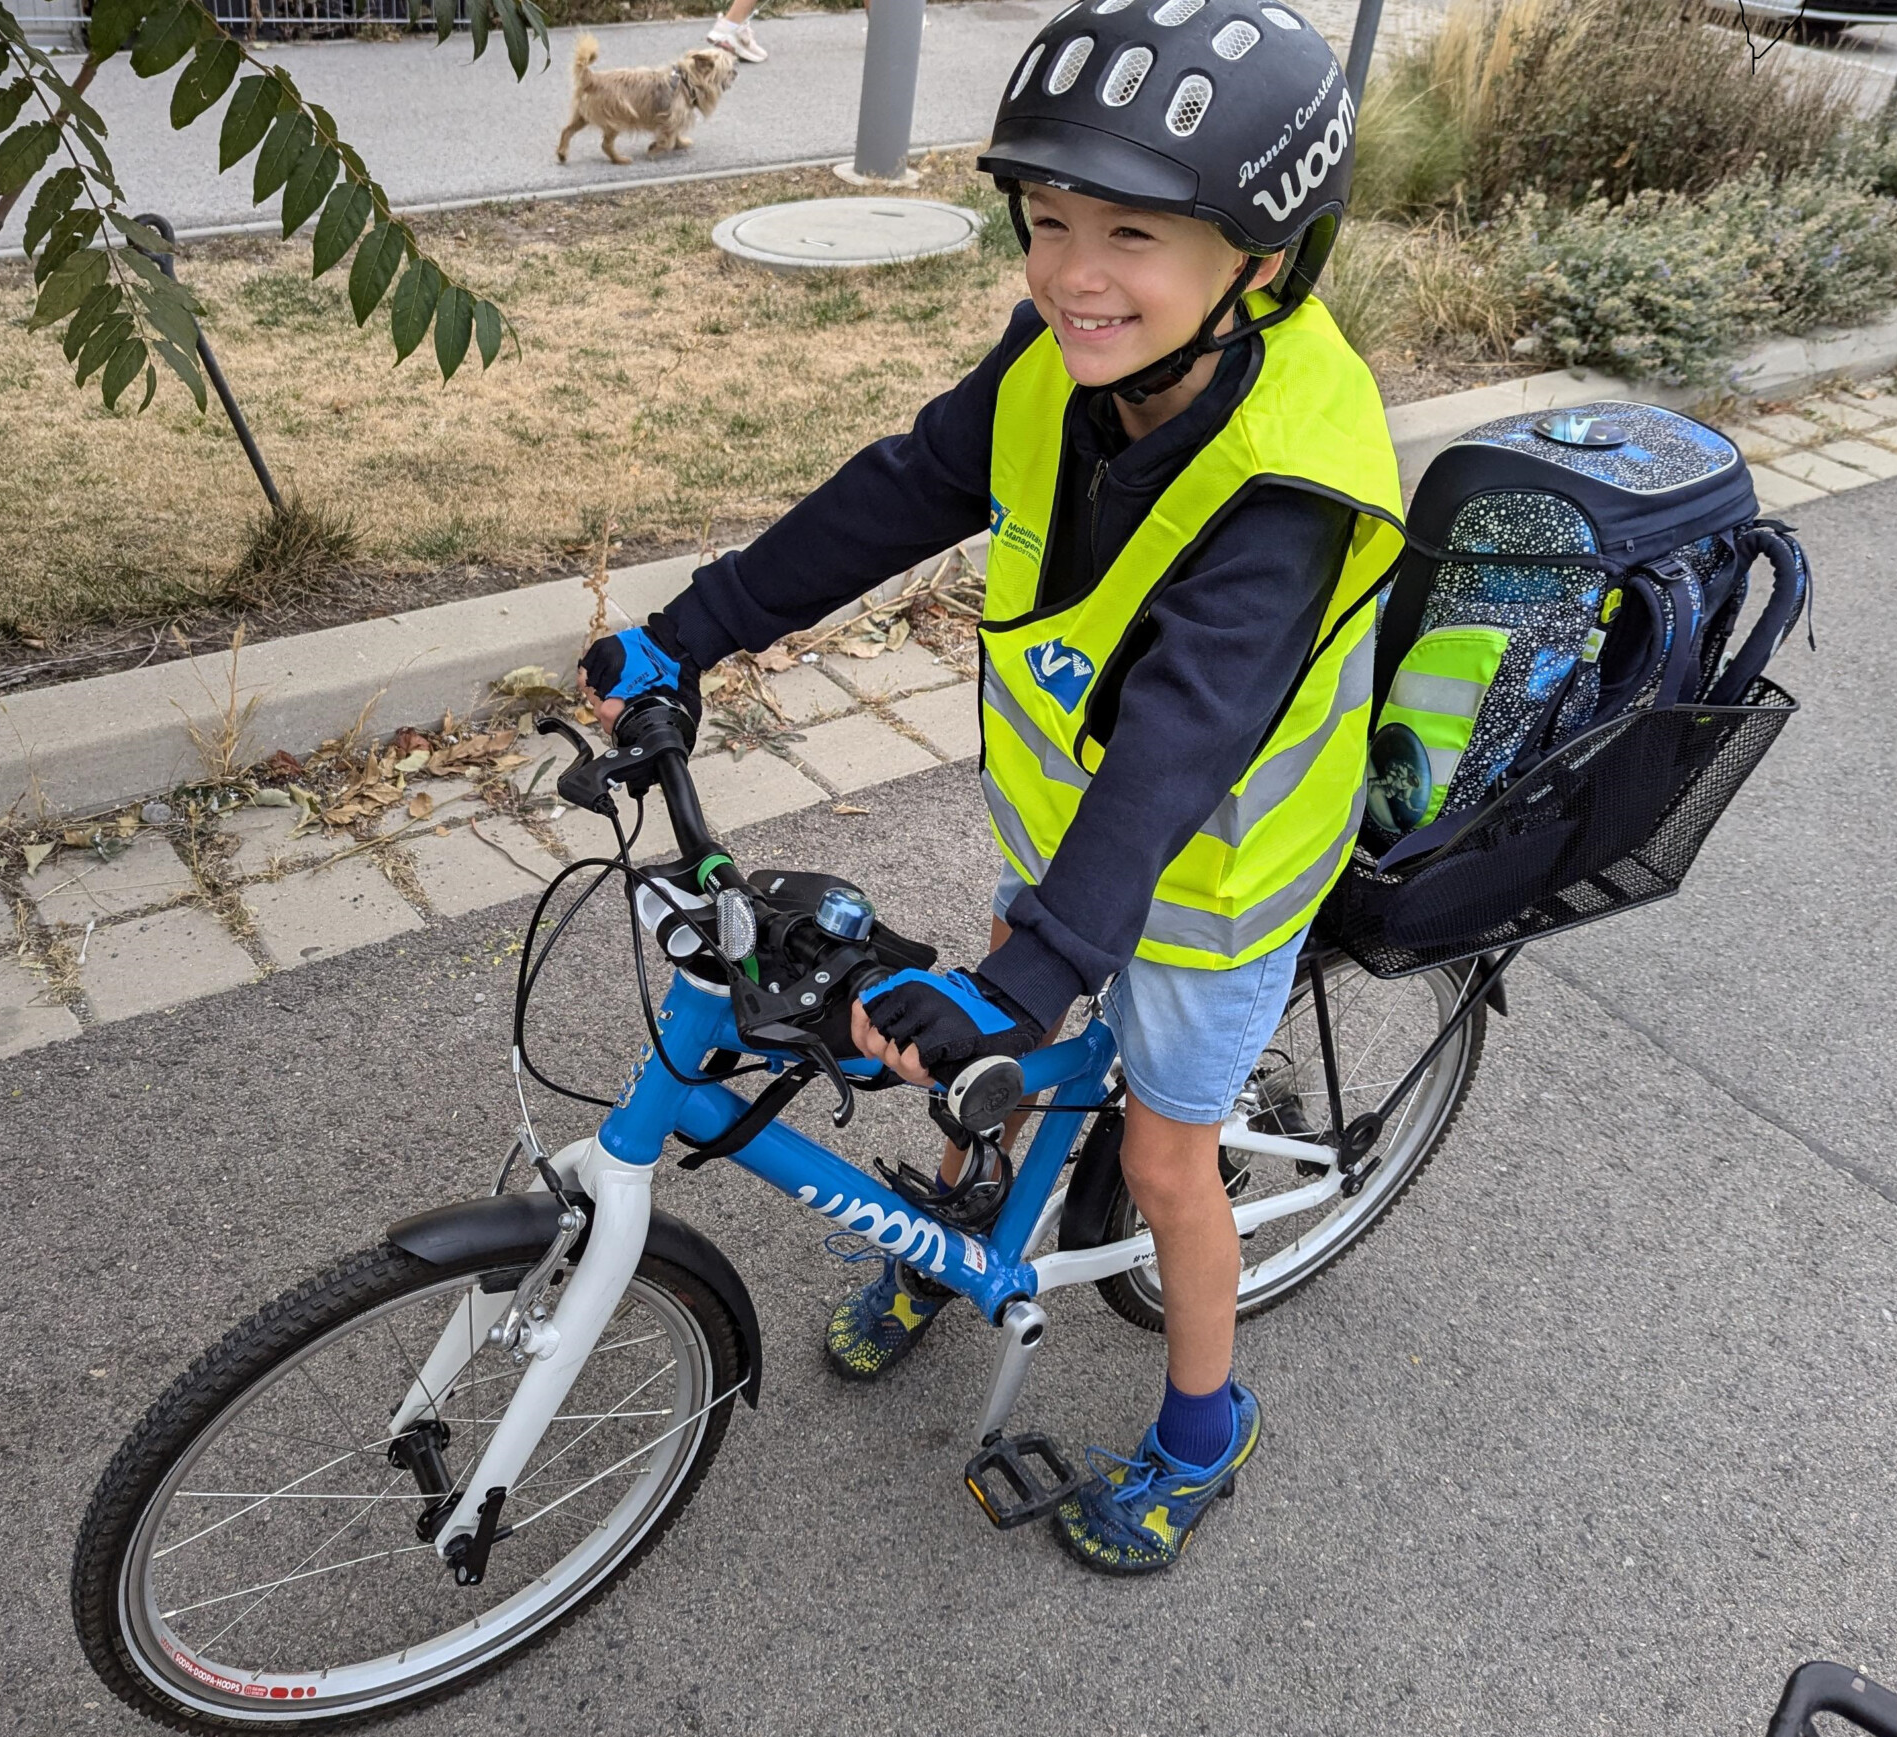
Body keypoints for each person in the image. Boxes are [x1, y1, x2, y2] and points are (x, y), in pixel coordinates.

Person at [580, 5, 1403, 1574]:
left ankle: (1200, 1431)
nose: (1071, 271)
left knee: (1161, 1155)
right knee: (978, 1044)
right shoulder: (1068, 357)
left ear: (1267, 260)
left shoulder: (1292, 474)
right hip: (1079, 843)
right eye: (1046, 223)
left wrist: (1032, 972)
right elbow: (901, 489)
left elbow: (1182, 737)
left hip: (1218, 880)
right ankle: (964, 1233)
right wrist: (688, 634)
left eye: (1133, 235)